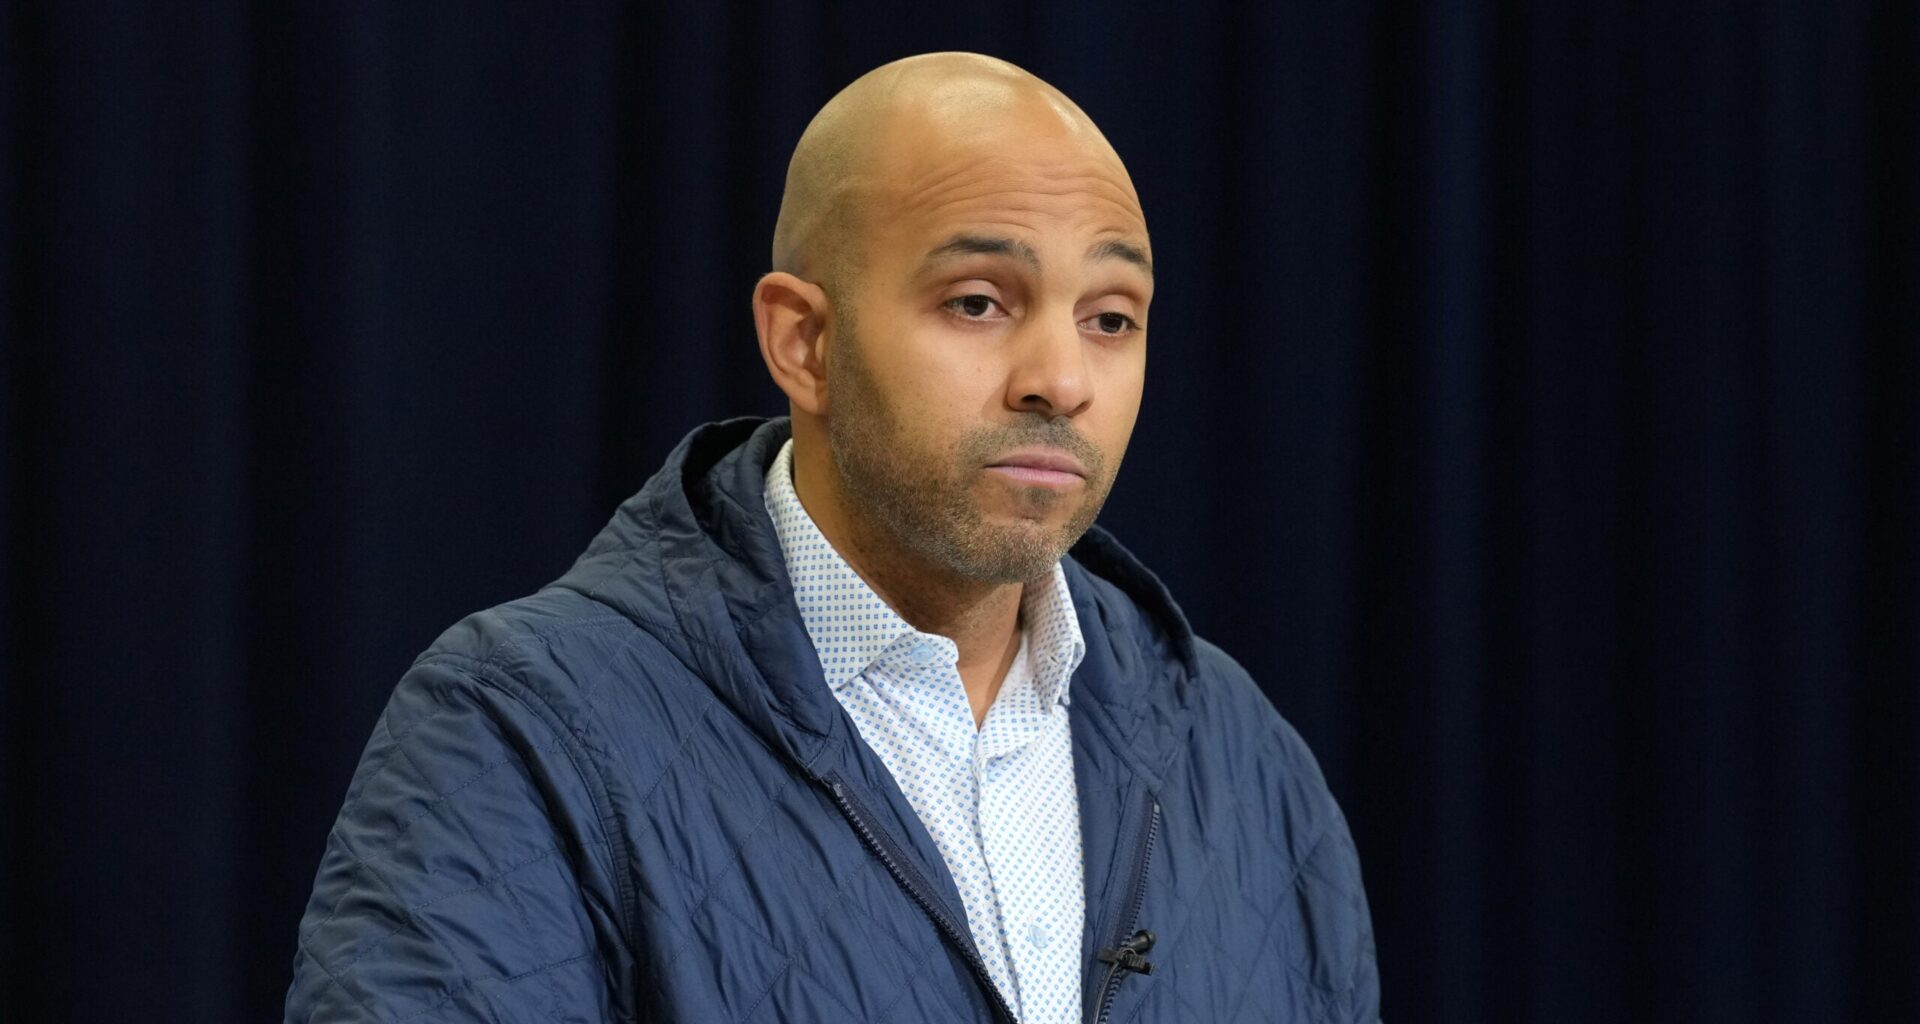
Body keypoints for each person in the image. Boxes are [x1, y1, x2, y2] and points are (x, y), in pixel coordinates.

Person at [285, 51, 1379, 1024]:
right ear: (803, 341)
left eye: (1111, 318)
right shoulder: (520, 729)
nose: (1062, 379)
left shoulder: (1244, 761)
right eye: (979, 302)